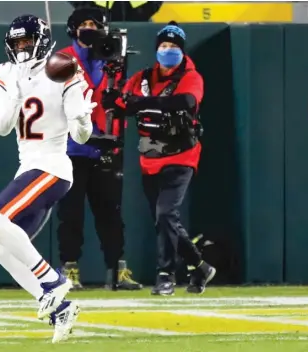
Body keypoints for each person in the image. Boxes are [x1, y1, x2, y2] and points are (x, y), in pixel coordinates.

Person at [0, 14, 96, 343]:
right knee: (1, 250)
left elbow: (82, 134)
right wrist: (16, 93)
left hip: (53, 167)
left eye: (27, 41)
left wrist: (84, 121)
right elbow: (2, 127)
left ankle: (53, 280)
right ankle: (59, 309)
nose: (22, 48)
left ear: (42, 40)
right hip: (28, 169)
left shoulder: (63, 67)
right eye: (17, 43)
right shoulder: (5, 73)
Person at [102, 21, 216, 296]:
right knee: (164, 219)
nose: (168, 50)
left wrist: (142, 103)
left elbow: (186, 101)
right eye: (164, 45)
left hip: (182, 154)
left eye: (174, 46)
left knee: (166, 213)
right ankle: (199, 266)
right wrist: (112, 98)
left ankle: (165, 274)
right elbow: (122, 104)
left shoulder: (191, 76)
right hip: (150, 155)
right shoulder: (141, 77)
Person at [56, 7, 142, 291]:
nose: (90, 29)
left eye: (95, 24)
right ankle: (70, 268)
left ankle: (118, 269)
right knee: (71, 214)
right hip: (72, 148)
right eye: (85, 24)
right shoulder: (63, 59)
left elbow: (124, 103)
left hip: (105, 146)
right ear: (74, 29)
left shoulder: (112, 57)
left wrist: (119, 95)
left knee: (111, 213)